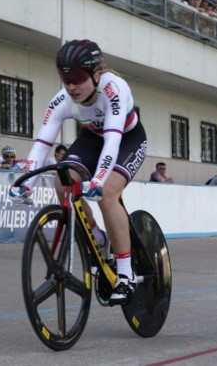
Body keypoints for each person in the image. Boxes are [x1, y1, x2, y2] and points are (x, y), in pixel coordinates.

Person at [9, 39, 147, 305]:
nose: (71, 87)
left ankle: (126, 274)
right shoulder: (61, 100)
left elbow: (112, 141)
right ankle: (96, 235)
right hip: (93, 139)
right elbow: (41, 145)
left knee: (106, 194)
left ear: (96, 74)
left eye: (78, 79)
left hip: (126, 139)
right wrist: (26, 182)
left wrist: (97, 180)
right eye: (65, 79)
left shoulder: (114, 88)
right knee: (63, 183)